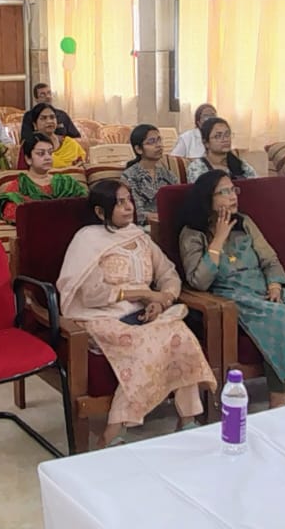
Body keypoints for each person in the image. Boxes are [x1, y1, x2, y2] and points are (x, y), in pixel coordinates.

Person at [57, 180, 216, 448]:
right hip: (99, 317)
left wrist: (162, 301)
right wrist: (142, 294)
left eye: (128, 199)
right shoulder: (87, 239)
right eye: (119, 202)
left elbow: (169, 274)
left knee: (180, 335)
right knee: (148, 344)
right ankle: (113, 429)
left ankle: (187, 419)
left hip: (141, 315)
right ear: (100, 211)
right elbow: (90, 294)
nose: (128, 206)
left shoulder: (139, 237)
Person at [178, 170, 285, 408]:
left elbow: (270, 259)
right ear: (208, 199)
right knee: (277, 319)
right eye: (224, 192)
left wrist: (274, 284)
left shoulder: (244, 223)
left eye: (233, 190)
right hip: (232, 296)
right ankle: (278, 400)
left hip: (263, 288)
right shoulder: (192, 233)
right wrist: (219, 239)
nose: (232, 196)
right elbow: (199, 281)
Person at [0, 133, 87, 224]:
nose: (48, 157)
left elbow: (85, 203)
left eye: (50, 153)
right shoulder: (20, 186)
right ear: (28, 159)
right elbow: (12, 213)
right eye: (41, 153)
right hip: (36, 230)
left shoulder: (65, 182)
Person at [121, 124, 177, 227]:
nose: (158, 145)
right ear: (138, 149)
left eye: (159, 140)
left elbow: (178, 200)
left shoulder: (167, 174)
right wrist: (160, 217)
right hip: (145, 227)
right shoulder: (130, 176)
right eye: (151, 142)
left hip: (169, 222)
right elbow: (136, 212)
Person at [186, 117, 257, 183]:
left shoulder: (241, 164)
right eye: (218, 136)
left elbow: (255, 185)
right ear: (206, 143)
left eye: (227, 134)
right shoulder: (197, 167)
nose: (225, 139)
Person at [18, 103, 85, 168]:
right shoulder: (29, 145)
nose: (49, 121)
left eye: (52, 117)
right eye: (43, 118)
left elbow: (81, 164)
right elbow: (22, 172)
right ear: (35, 125)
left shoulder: (69, 143)